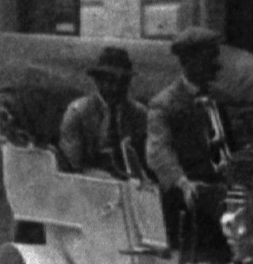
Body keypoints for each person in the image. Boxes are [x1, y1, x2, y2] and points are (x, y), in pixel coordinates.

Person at [146, 27, 229, 244]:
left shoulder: (221, 97)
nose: (216, 65)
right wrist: (182, 182)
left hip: (223, 189)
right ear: (188, 61)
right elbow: (159, 151)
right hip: (187, 193)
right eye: (209, 58)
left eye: (215, 56)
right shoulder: (164, 105)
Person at [59, 46, 149, 178]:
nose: (116, 88)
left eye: (123, 82)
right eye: (110, 81)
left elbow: (147, 159)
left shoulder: (139, 114)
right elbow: (72, 167)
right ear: (98, 81)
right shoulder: (78, 113)